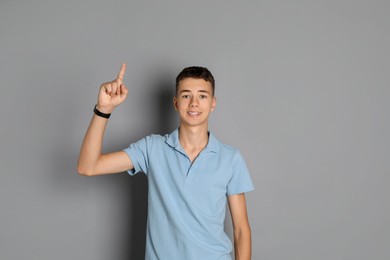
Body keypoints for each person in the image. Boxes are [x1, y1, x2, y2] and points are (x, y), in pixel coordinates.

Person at [77, 63, 254, 260]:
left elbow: (241, 230)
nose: (194, 103)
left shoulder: (230, 158)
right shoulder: (152, 148)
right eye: (186, 95)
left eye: (202, 96)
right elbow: (88, 166)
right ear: (176, 102)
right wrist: (103, 109)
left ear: (213, 102)